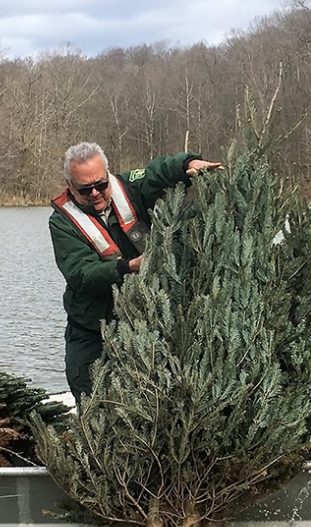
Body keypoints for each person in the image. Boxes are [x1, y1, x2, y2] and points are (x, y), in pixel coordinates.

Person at [49, 142, 221, 402]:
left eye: (101, 184)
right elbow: (82, 274)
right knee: (88, 393)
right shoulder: (62, 222)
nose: (95, 193)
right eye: (85, 190)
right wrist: (128, 267)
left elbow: (158, 171)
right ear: (70, 186)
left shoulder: (129, 186)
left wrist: (188, 164)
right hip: (91, 324)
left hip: (144, 317)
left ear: (108, 175)